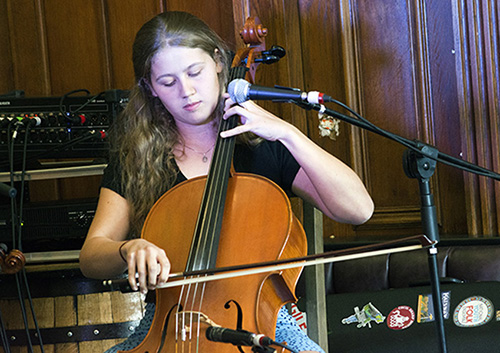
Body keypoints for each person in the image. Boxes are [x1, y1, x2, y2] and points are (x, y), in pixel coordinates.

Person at [79, 11, 374, 353]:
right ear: (150, 88)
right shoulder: (137, 157)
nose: (187, 91)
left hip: (262, 322)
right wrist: (127, 248)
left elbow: (359, 210)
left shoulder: (261, 144)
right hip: (168, 325)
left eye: (195, 72)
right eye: (168, 82)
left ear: (218, 61)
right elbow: (91, 255)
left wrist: (290, 135)